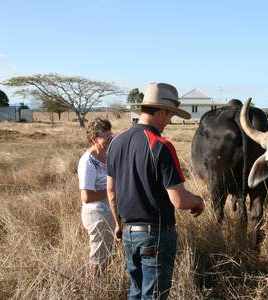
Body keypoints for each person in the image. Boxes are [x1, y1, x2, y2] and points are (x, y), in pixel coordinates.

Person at [106, 82, 205, 300]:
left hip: (128, 232)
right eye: (169, 114)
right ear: (160, 111)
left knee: (136, 292)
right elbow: (179, 200)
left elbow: (111, 192)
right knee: (154, 296)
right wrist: (198, 202)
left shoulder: (116, 143)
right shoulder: (161, 145)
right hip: (155, 234)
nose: (169, 120)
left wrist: (118, 225)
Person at [77, 117, 115, 278]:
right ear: (94, 139)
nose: (109, 138)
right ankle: (94, 288)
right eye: (105, 136)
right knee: (99, 258)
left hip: (110, 212)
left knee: (109, 255)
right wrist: (113, 191)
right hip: (97, 215)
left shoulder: (108, 155)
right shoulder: (88, 161)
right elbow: (86, 197)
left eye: (110, 134)